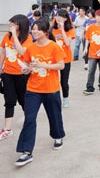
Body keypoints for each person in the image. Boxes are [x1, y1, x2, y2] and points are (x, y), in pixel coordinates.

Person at [15, 19, 66, 167]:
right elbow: (27, 64)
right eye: (33, 29)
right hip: (33, 89)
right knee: (29, 118)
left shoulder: (54, 47)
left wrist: (43, 64)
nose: (34, 31)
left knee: (54, 115)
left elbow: (61, 65)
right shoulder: (31, 48)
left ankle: (58, 136)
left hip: (51, 88)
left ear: (46, 32)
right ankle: (26, 151)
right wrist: (25, 69)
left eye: (37, 29)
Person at [0, 15, 33, 140]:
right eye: (11, 22)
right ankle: (7, 129)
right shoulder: (6, 37)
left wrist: (14, 35)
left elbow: (23, 52)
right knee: (9, 100)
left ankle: (29, 121)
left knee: (23, 100)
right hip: (7, 73)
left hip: (21, 74)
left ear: (21, 25)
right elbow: (3, 53)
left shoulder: (28, 38)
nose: (11, 24)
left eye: (14, 23)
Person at [83, 10, 100, 95]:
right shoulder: (91, 27)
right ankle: (90, 87)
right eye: (97, 16)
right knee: (91, 70)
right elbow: (87, 38)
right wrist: (85, 48)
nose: (98, 18)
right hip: (92, 52)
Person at [51, 10, 75, 108]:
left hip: (66, 59)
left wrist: (62, 30)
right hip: (53, 59)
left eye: (61, 16)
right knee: (53, 80)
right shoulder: (52, 29)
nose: (58, 18)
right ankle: (54, 99)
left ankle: (65, 98)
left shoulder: (70, 30)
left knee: (64, 81)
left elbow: (67, 43)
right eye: (57, 16)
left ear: (66, 19)